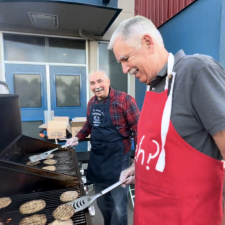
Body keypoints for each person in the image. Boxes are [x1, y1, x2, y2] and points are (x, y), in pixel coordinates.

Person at [108, 15, 225, 225]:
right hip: (148, 215)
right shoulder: (154, 85)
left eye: (125, 59)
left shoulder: (196, 71)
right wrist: (139, 168)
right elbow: (160, 146)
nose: (124, 69)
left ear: (148, 42)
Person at [66, 70, 140, 225]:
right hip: (98, 158)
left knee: (119, 205)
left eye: (100, 81)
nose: (96, 86)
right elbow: (88, 126)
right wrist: (76, 137)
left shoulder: (124, 100)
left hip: (119, 158)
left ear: (108, 81)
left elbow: (138, 130)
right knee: (102, 202)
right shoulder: (92, 103)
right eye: (92, 83)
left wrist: (137, 161)